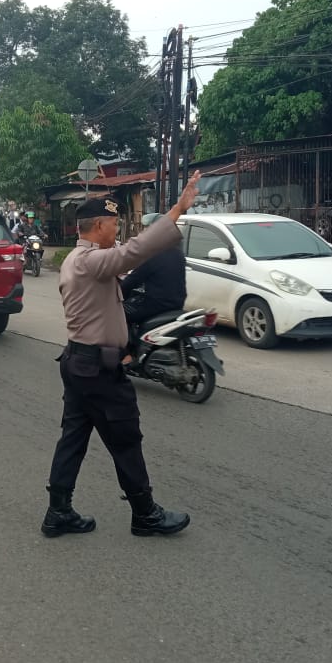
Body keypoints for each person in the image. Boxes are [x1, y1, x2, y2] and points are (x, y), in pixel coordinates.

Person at [41, 171, 202, 538]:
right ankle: (145, 514)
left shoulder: (79, 260)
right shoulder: (89, 261)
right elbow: (134, 252)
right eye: (114, 224)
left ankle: (58, 511)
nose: (118, 230)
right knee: (126, 438)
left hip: (81, 363)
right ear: (98, 226)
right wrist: (177, 210)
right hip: (96, 369)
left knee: (73, 438)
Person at [120, 212, 188, 359]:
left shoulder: (153, 255)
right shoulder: (178, 253)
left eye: (147, 230)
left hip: (156, 306)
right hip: (177, 304)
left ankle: (127, 354)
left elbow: (132, 281)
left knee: (121, 313)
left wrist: (119, 294)